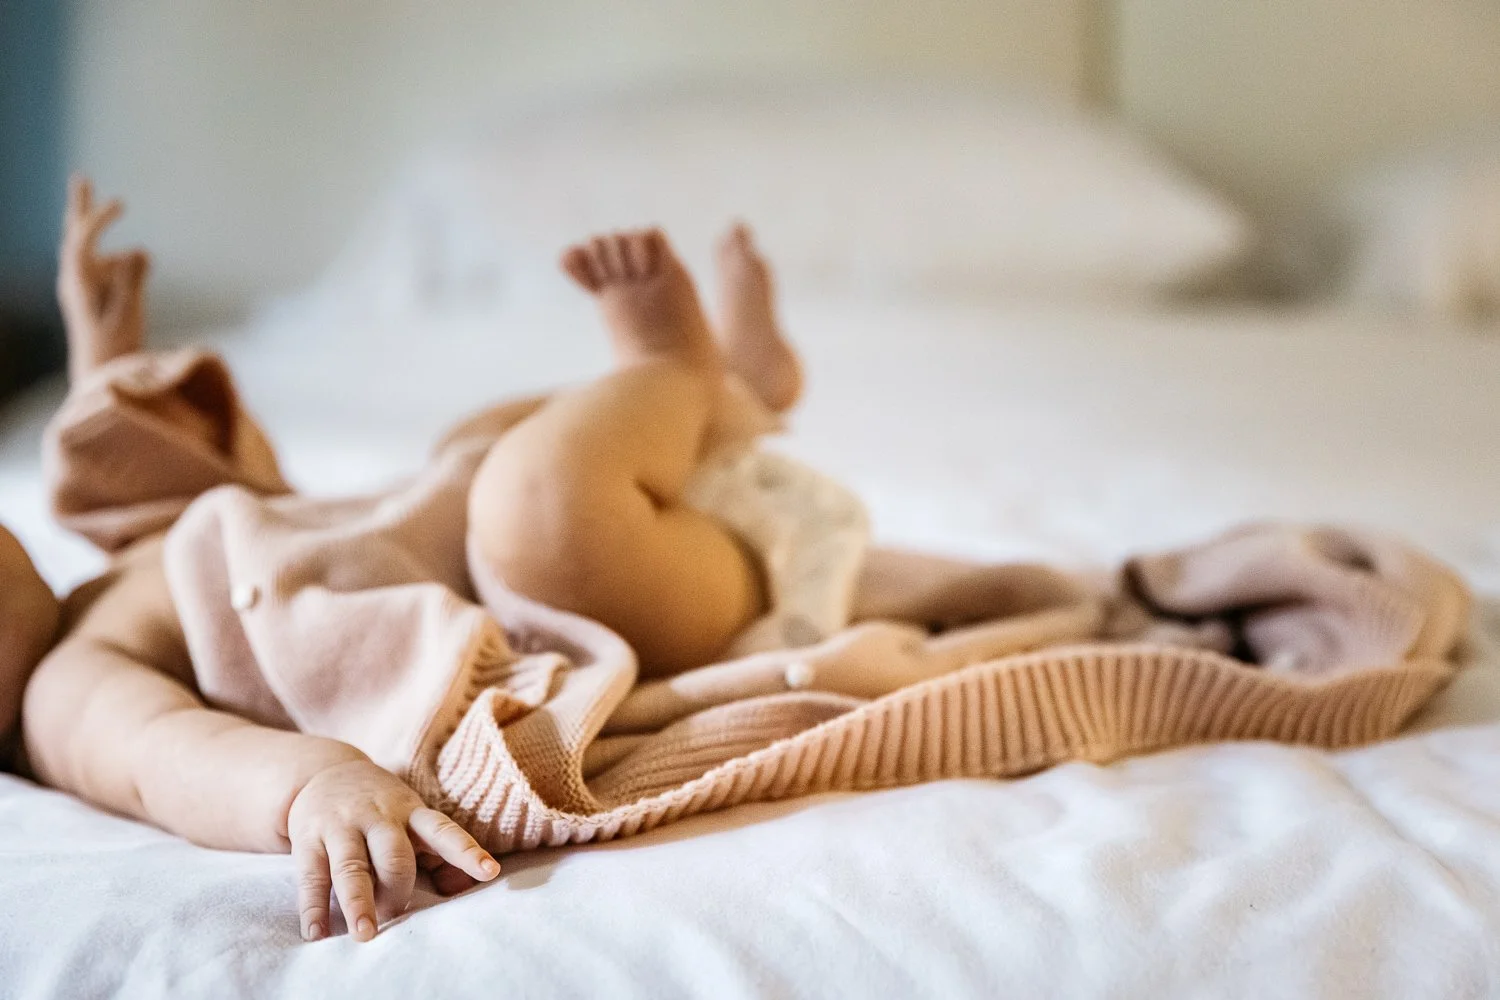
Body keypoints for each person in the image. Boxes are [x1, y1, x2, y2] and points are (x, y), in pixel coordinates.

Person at [14, 176, 804, 943]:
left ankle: (739, 398)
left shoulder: (108, 575)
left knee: (486, 439)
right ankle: (675, 371)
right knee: (542, 503)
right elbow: (170, 760)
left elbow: (152, 480)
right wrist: (313, 788)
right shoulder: (65, 692)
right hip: (583, 602)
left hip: (539, 528)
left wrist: (103, 354)